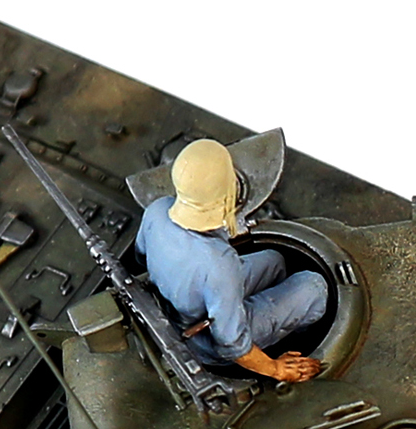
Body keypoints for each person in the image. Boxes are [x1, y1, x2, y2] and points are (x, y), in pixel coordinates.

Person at [134, 138, 326, 383]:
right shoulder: (218, 263)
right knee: (314, 287)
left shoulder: (157, 209)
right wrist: (276, 368)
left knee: (274, 261)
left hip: (180, 307)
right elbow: (231, 344)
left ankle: (281, 318)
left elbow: (141, 257)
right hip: (205, 340)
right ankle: (299, 340)